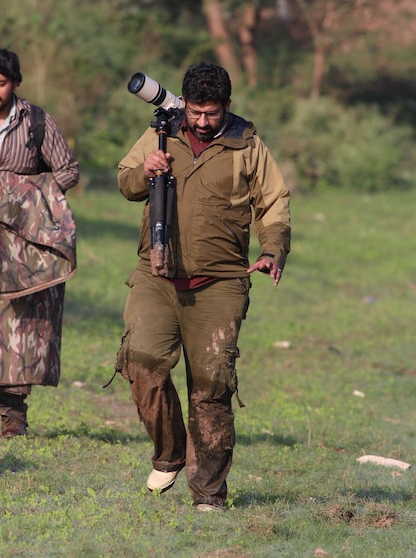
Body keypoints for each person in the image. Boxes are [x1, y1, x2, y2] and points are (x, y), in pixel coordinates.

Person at [115, 62, 290, 511]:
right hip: (156, 276)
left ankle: (209, 494)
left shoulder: (247, 144)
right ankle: (170, 453)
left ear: (226, 107)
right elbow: (126, 182)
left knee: (211, 387)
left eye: (211, 112)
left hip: (220, 283)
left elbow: (273, 202)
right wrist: (146, 171)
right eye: (195, 111)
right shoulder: (161, 132)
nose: (202, 121)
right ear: (184, 104)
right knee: (142, 364)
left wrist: (272, 250)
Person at [0, 48, 79, 438]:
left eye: (0, 83)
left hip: (25, 242)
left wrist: (26, 193)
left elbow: (67, 170)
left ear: (15, 83)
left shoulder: (36, 122)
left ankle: (13, 414)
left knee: (21, 325)